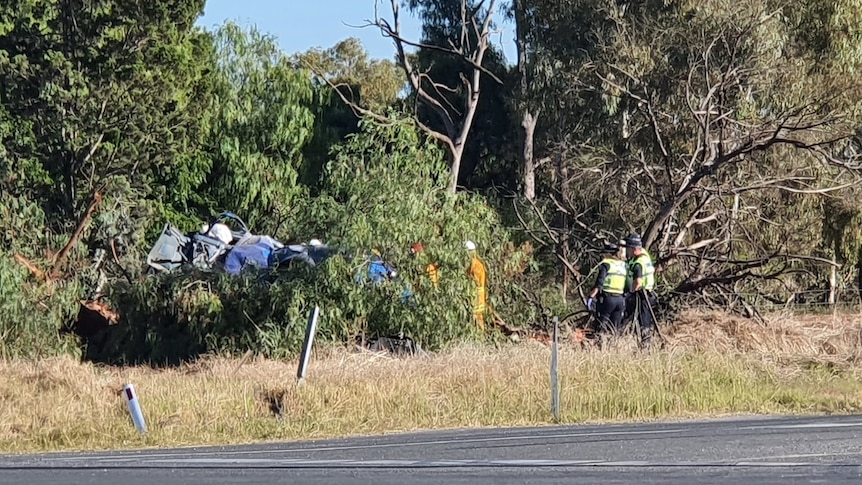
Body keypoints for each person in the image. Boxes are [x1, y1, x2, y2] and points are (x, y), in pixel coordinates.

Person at [623, 233, 657, 347]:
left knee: (643, 321)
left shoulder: (638, 263)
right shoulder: (644, 256)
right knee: (644, 319)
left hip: (643, 296)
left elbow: (638, 282)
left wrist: (630, 292)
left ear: (634, 249)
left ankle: (645, 344)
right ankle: (643, 341)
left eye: (628, 248)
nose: (627, 251)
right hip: (649, 294)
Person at [587, 242, 627, 336]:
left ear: (608, 253)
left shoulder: (606, 264)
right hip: (620, 300)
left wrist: (591, 296)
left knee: (602, 325)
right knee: (615, 328)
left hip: (607, 299)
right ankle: (614, 347)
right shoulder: (623, 265)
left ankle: (601, 346)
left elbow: (599, 283)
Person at [465, 240, 488, 331]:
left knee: (477, 316)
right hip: (474, 294)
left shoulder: (476, 265)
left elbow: (474, 281)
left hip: (476, 295)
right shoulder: (474, 263)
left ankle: (479, 336)